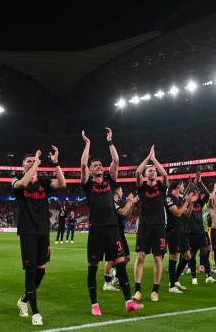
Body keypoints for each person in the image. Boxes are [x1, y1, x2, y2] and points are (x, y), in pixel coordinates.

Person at [81, 128, 143, 316]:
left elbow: (116, 161)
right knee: (93, 268)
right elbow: (83, 164)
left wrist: (110, 141)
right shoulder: (87, 183)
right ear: (91, 171)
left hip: (112, 229)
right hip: (96, 229)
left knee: (120, 264)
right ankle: (94, 305)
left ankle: (129, 302)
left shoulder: (109, 180)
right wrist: (88, 144)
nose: (98, 166)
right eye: (95, 165)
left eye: (100, 164)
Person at [13, 146, 66, 326]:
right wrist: (35, 164)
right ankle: (35, 312)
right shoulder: (17, 180)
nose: (31, 163)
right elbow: (23, 184)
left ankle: (24, 300)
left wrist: (56, 163)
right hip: (27, 231)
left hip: (43, 231)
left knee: (41, 270)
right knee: (30, 271)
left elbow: (62, 183)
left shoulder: (43, 183)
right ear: (22, 166)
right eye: (27, 162)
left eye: (33, 161)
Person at [133, 146, 169, 302]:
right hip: (145, 226)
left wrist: (154, 160)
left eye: (154, 170)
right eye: (150, 170)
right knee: (140, 256)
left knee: (157, 258)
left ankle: (155, 291)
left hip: (159, 226)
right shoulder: (142, 187)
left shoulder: (161, 187)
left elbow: (165, 174)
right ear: (145, 174)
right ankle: (138, 290)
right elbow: (136, 173)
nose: (153, 171)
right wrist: (148, 158)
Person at [103, 186, 138, 292]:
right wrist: (129, 202)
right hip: (112, 233)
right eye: (121, 191)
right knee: (112, 259)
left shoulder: (118, 203)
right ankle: (107, 283)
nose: (122, 193)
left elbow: (127, 214)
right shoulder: (111, 202)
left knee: (126, 257)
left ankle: (116, 277)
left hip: (120, 234)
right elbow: (122, 212)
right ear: (117, 192)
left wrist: (131, 203)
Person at [186, 172, 216, 284]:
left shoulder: (199, 203)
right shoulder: (186, 203)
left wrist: (200, 182)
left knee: (204, 254)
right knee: (192, 256)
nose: (196, 195)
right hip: (190, 233)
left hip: (201, 233)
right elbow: (187, 193)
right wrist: (192, 184)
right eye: (193, 193)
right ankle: (194, 277)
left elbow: (208, 194)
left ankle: (208, 275)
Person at [166, 180, 197, 293]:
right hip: (173, 230)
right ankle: (172, 286)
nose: (184, 187)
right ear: (178, 186)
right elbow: (178, 213)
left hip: (181, 230)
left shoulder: (179, 199)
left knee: (188, 256)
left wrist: (191, 203)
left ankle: (175, 280)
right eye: (183, 185)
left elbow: (187, 214)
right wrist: (186, 202)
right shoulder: (169, 198)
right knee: (174, 256)